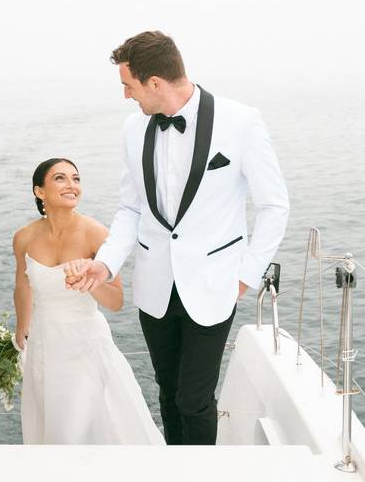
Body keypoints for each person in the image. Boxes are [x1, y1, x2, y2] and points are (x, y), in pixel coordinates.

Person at [67, 31, 290, 445]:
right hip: (155, 287)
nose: (125, 96)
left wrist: (246, 276)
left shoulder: (241, 121)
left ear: (155, 83)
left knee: (194, 398)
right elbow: (131, 209)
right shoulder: (133, 129)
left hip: (216, 284)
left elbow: (275, 206)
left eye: (128, 86)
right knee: (168, 394)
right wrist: (106, 262)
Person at [12, 157, 164, 445]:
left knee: (74, 428)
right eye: (60, 178)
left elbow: (116, 301)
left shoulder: (96, 233)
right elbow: (22, 284)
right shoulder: (23, 238)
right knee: (51, 423)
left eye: (76, 178)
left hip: (85, 346)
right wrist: (22, 327)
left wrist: (89, 282)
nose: (72, 185)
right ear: (39, 191)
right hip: (44, 346)